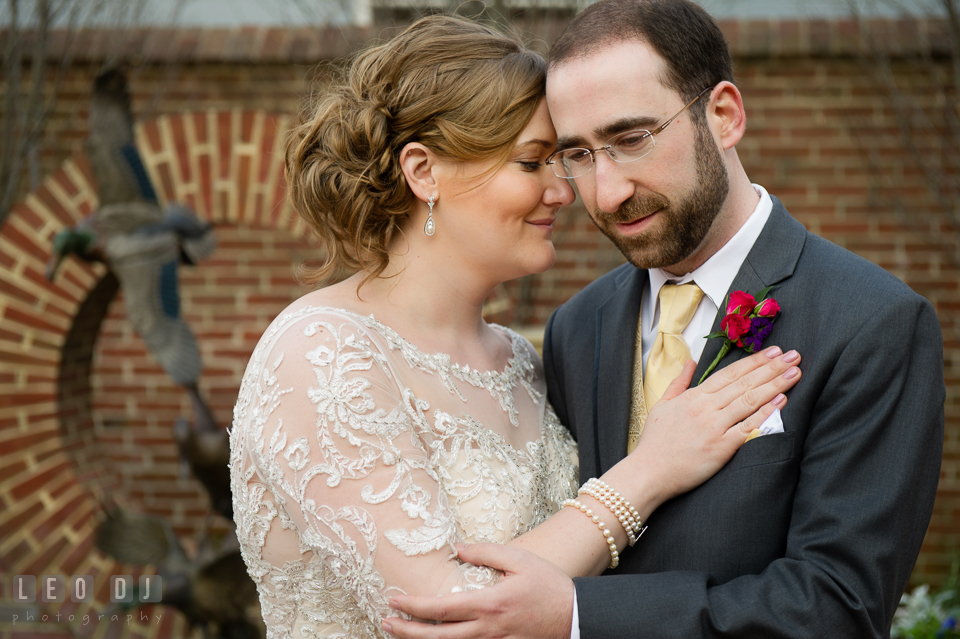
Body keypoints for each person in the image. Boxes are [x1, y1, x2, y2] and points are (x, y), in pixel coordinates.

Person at [228, 13, 804, 639]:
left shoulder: (524, 359)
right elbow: (443, 615)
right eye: (533, 164)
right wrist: (649, 472)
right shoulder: (322, 354)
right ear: (424, 173)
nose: (565, 191)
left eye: (563, 162)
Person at [386, 1, 945, 638]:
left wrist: (577, 616)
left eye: (631, 140)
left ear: (724, 115)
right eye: (578, 153)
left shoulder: (871, 323)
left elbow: (838, 608)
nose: (606, 193)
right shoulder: (579, 326)